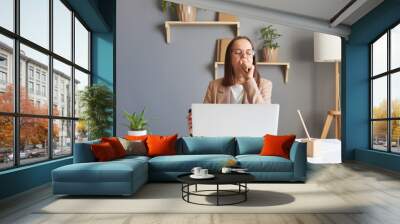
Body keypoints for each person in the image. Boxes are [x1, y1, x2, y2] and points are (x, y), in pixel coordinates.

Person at [187, 36, 273, 134]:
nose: (244, 56)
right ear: (229, 58)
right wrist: (195, 124)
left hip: (251, 144)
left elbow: (265, 119)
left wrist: (249, 79)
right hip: (221, 144)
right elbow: (205, 124)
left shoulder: (265, 84)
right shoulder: (214, 86)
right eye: (238, 52)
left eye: (249, 52)